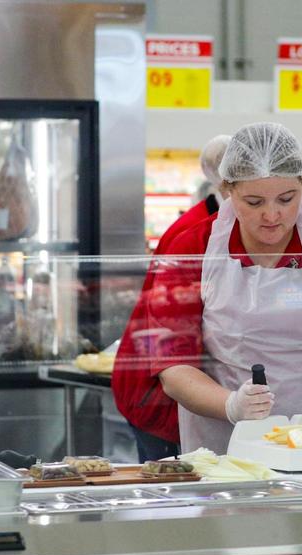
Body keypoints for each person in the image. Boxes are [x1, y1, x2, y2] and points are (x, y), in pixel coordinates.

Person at [118, 122, 302, 455]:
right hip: (225, 442)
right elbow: (174, 366)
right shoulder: (194, 246)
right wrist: (230, 405)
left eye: (287, 198)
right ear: (227, 189)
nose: (272, 215)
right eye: (253, 202)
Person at [113, 135, 230, 461]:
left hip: (184, 389)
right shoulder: (191, 236)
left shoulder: (220, 227)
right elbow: (172, 324)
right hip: (159, 393)